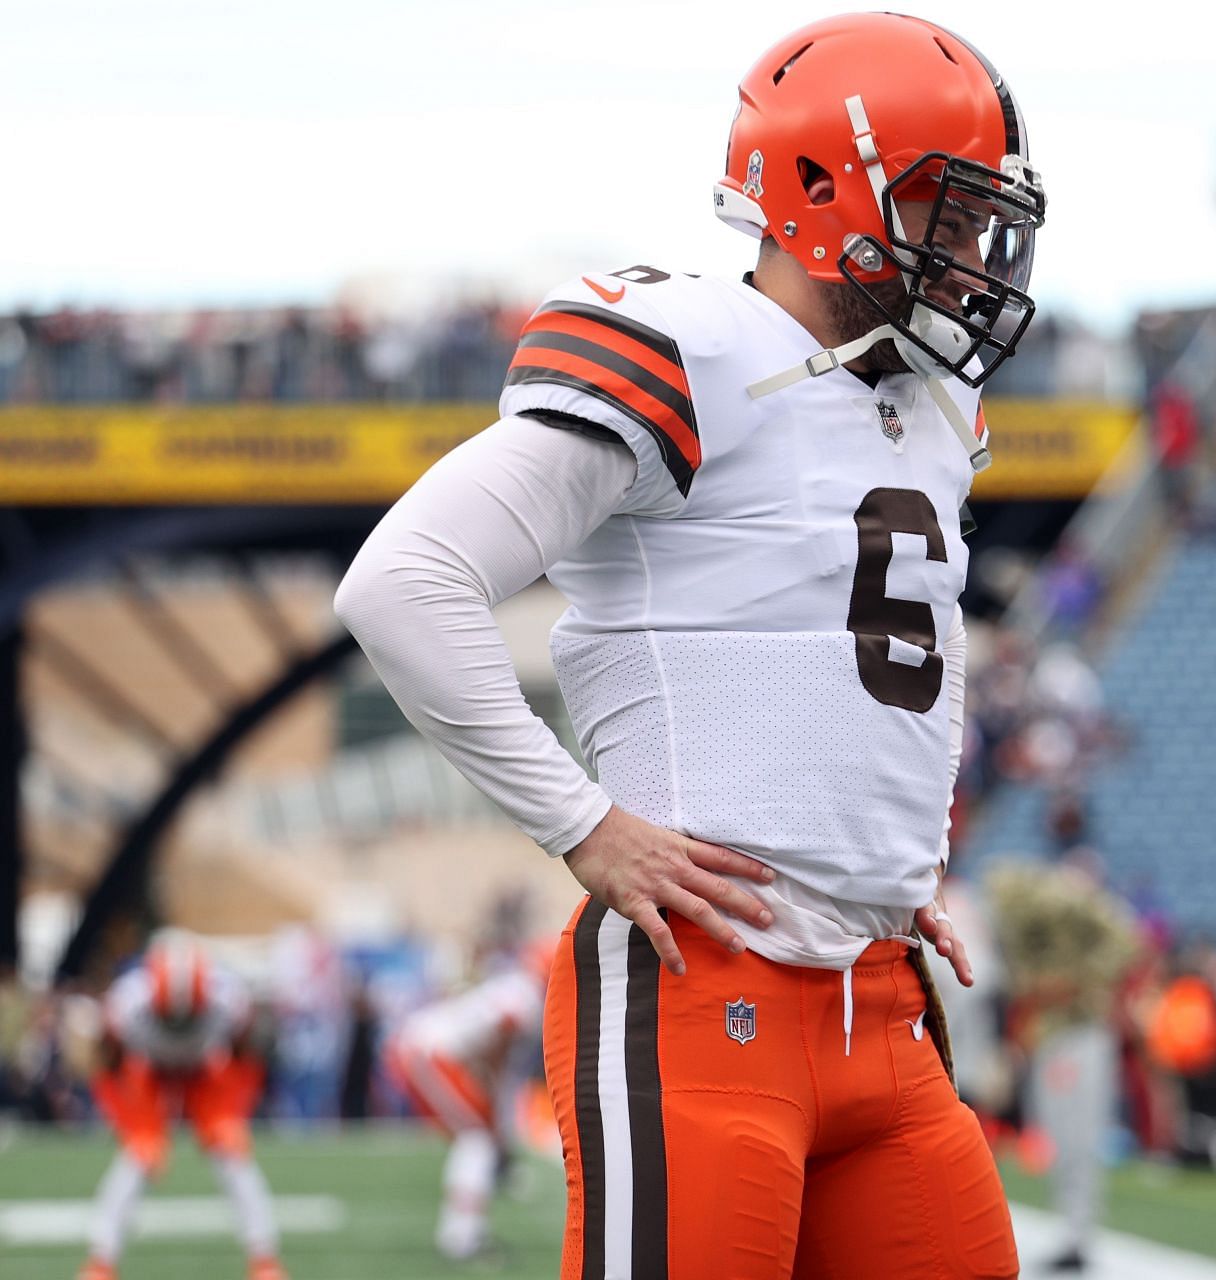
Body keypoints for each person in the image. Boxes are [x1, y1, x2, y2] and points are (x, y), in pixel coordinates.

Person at [333, 12, 1044, 1278]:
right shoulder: (696, 347)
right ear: (826, 188)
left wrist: (867, 855)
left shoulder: (934, 401)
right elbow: (405, 580)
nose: (977, 254)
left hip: (881, 1004)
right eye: (951, 214)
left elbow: (842, 641)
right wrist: (582, 822)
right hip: (700, 992)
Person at [78, 934, 286, 1280]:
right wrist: (130, 1119)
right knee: (138, 1156)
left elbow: (247, 1055)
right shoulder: (125, 1005)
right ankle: (100, 1263)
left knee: (232, 1153)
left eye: (188, 1018)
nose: (178, 1027)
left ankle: (265, 1262)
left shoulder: (230, 1001)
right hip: (149, 1073)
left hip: (206, 1072)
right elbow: (105, 1065)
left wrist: (231, 1110)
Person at [988, 853, 1139, 1273]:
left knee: (1078, 1139)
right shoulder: (1024, 929)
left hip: (1079, 1031)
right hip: (1051, 1036)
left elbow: (1128, 938)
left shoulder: (1065, 909)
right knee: (1059, 1137)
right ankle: (1072, 1232)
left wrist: (1081, 980)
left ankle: (1079, 1235)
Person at [385, 943, 549, 1260]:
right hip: (429, 1052)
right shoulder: (526, 997)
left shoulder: (518, 987)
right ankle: (462, 1236)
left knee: (476, 1139)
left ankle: (464, 1231)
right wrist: (494, 1106)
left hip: (433, 1050)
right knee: (477, 1139)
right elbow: (497, 1050)